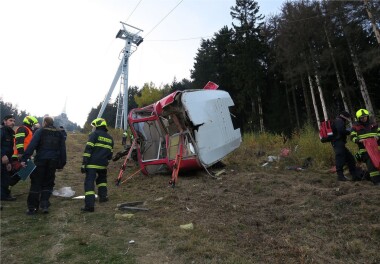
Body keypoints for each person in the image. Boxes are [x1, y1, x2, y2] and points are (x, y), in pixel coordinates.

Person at [21, 116, 67, 215]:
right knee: (48, 183)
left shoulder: (40, 131)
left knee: (36, 183)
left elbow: (32, 145)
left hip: (40, 160)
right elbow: (63, 149)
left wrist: (24, 158)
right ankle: (45, 204)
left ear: (45, 122)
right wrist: (62, 163)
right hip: (53, 162)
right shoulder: (59, 133)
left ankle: (32, 208)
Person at [81, 118, 114, 212]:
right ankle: (103, 197)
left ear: (97, 125)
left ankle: (89, 206)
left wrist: (84, 163)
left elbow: (88, 149)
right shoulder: (110, 138)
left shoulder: (94, 135)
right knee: (102, 181)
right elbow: (110, 154)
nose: (93, 128)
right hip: (103, 165)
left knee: (89, 184)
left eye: (94, 126)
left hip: (92, 164)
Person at [351, 109, 380, 186]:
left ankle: (368, 176)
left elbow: (379, 132)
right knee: (372, 165)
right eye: (362, 117)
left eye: (365, 117)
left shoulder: (373, 125)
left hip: (376, 149)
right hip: (365, 151)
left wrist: (377, 136)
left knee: (378, 163)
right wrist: (359, 140)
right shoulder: (355, 127)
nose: (364, 118)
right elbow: (352, 137)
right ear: (358, 118)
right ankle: (376, 182)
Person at [9, 116, 39, 186]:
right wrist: (21, 153)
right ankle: (6, 189)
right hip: (18, 155)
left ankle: (7, 189)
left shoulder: (28, 130)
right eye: (33, 124)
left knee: (22, 172)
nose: (34, 126)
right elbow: (19, 141)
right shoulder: (22, 129)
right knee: (16, 174)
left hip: (23, 155)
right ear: (30, 123)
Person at [331, 110, 358, 181]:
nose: (348, 119)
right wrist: (349, 131)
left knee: (350, 159)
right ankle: (340, 176)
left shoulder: (338, 120)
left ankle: (354, 175)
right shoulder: (339, 121)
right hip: (338, 142)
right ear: (345, 116)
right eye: (348, 117)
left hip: (339, 143)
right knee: (340, 158)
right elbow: (341, 131)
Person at [1, 114, 16, 201]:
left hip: (6, 160)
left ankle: (4, 196)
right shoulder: (1, 131)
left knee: (6, 178)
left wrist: (9, 162)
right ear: (5, 121)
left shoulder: (11, 133)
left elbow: (10, 149)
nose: (13, 123)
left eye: (14, 121)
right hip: (2, 158)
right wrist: (2, 155)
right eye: (10, 120)